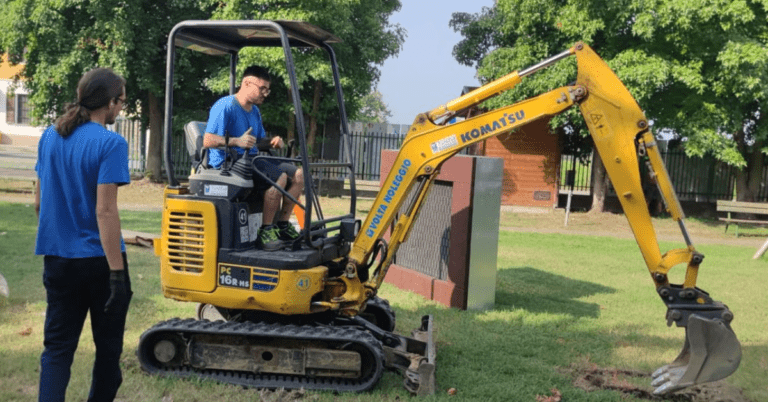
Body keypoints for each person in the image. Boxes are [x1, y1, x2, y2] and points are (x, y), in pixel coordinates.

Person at [35, 68, 132, 402]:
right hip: (99, 264)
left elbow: (39, 202)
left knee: (57, 350)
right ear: (109, 102)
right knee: (107, 354)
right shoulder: (111, 144)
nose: (121, 109)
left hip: (59, 260)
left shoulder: (49, 136)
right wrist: (117, 273)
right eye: (121, 101)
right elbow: (105, 211)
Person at [203, 65, 304, 251]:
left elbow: (257, 141)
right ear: (247, 83)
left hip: (251, 160)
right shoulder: (225, 106)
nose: (265, 93)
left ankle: (282, 225)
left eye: (268, 89)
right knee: (279, 177)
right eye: (262, 88)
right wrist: (236, 141)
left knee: (299, 174)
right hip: (228, 163)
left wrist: (271, 142)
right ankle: (265, 231)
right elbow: (208, 140)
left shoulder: (254, 111)